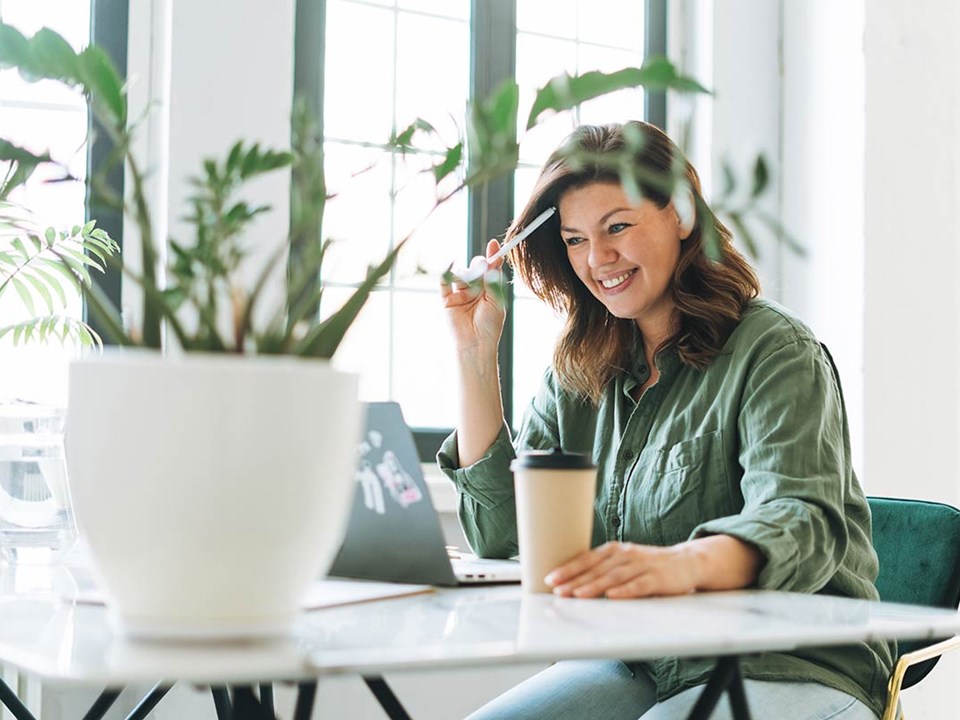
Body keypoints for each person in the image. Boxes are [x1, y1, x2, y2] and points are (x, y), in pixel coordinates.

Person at [437, 121, 893, 720]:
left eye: (617, 227)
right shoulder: (580, 369)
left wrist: (677, 564)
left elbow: (803, 525)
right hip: (639, 660)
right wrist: (475, 355)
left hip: (790, 660)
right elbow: (508, 538)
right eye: (574, 240)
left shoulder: (775, 351)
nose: (598, 259)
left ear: (680, 214)